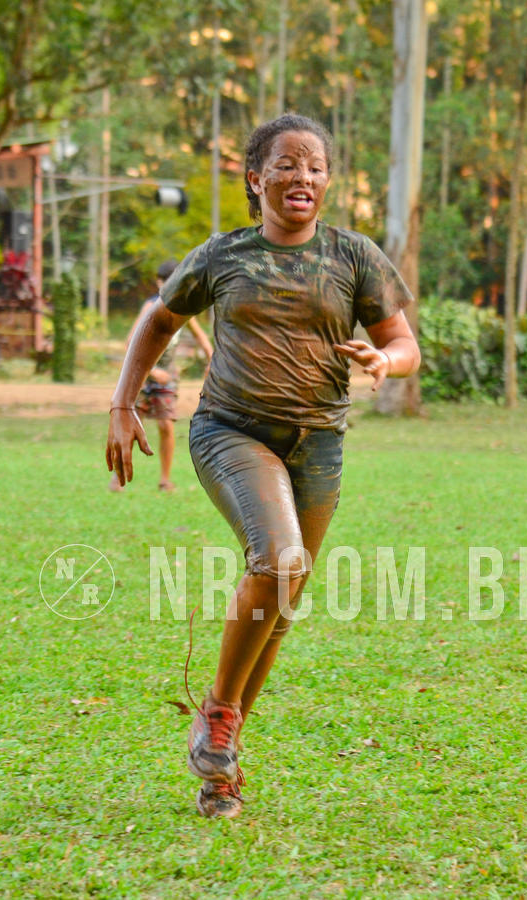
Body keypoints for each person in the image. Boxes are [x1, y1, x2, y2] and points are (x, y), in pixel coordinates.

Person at [106, 113, 421, 819]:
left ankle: (219, 766)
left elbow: (403, 342)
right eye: (285, 163)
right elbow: (159, 319)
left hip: (319, 443)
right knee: (278, 559)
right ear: (256, 178)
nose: (301, 176)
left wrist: (384, 359)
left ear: (328, 180)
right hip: (231, 430)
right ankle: (219, 711)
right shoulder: (223, 255)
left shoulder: (355, 257)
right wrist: (123, 404)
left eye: (314, 165)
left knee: (279, 606)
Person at [109, 259, 213, 492]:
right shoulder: (150, 307)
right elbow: (130, 343)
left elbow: (201, 338)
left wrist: (212, 358)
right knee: (132, 424)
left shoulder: (183, 306)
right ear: (158, 282)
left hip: (168, 376)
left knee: (166, 425)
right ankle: (118, 478)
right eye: (166, 281)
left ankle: (165, 479)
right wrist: (153, 372)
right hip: (143, 375)